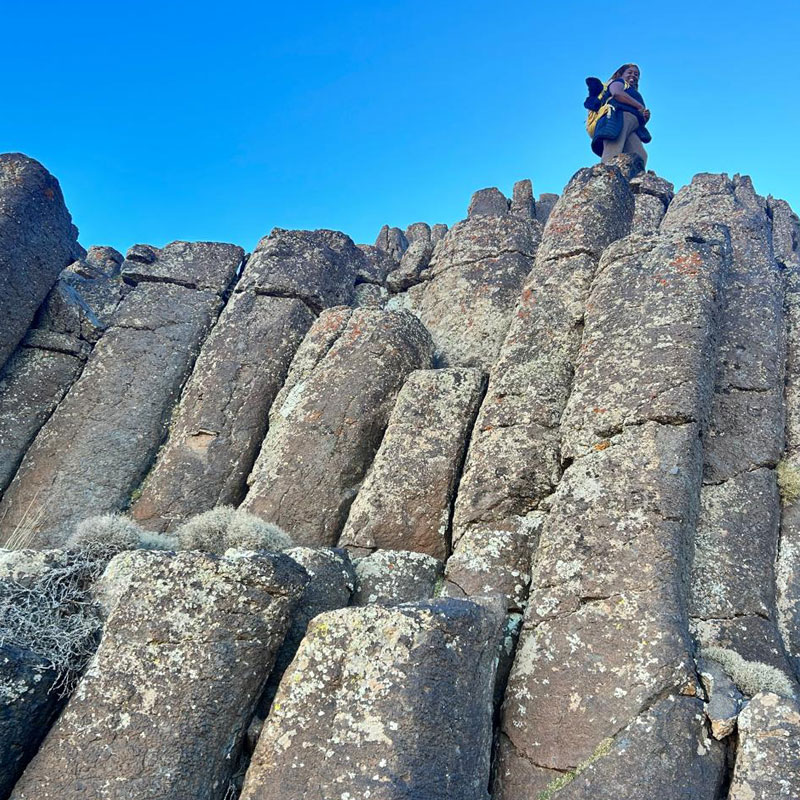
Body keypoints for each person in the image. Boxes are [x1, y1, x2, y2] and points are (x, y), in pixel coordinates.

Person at [594, 63, 651, 167]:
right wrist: (639, 106)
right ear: (621, 74)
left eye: (636, 74)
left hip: (632, 125)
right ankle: (606, 176)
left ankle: (634, 180)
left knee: (640, 155)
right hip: (620, 118)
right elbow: (617, 93)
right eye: (630, 72)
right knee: (614, 147)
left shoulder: (631, 90)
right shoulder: (619, 82)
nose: (633, 75)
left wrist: (644, 117)